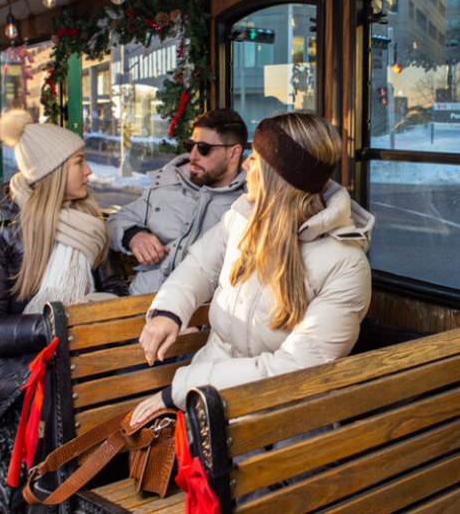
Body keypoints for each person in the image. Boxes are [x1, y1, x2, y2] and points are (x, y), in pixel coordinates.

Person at [130, 112, 373, 429]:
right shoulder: (244, 216)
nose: (245, 165)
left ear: (280, 176)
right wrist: (169, 313)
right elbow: (201, 266)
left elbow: (294, 369)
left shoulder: (345, 265)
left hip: (275, 427)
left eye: (255, 158)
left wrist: (180, 389)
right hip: (206, 401)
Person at [0, 109, 128, 507]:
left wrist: (98, 308)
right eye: (79, 162)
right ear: (52, 172)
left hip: (83, 349)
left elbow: (117, 287)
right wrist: (56, 326)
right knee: (75, 396)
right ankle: (61, 493)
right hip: (22, 369)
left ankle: (106, 489)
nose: (89, 172)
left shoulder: (88, 222)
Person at [107, 109, 249, 295]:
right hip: (138, 306)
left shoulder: (247, 203)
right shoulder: (166, 184)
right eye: (190, 145)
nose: (193, 155)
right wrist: (133, 236)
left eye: (204, 148)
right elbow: (114, 221)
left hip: (199, 314)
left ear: (233, 153)